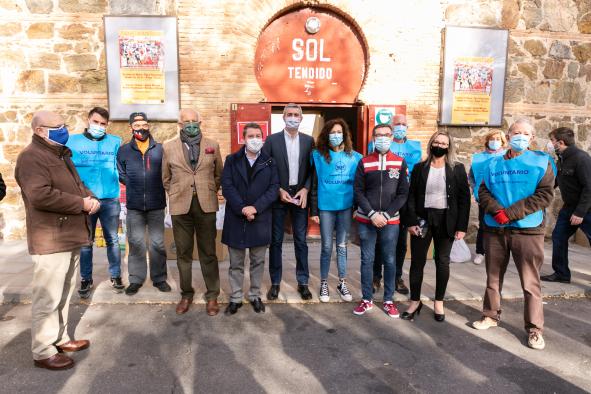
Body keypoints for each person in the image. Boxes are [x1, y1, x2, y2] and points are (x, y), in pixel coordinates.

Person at [15, 111, 96, 370]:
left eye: (64, 124)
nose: (63, 129)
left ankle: (60, 338)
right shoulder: (31, 157)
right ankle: (42, 350)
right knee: (47, 296)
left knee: (63, 292)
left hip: (68, 234)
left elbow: (76, 184)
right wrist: (81, 204)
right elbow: (40, 195)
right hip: (50, 237)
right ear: (39, 130)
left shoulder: (59, 153)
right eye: (57, 126)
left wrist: (90, 197)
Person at [472, 118, 555, 350]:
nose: (520, 137)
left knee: (530, 282)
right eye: (516, 132)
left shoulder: (542, 162)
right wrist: (498, 211)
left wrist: (510, 213)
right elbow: (483, 191)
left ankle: (535, 329)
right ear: (507, 137)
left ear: (532, 138)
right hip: (496, 229)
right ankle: (490, 315)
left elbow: (544, 194)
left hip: (528, 230)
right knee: (493, 276)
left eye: (525, 133)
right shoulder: (492, 163)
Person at [401, 131, 470, 322]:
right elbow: (411, 196)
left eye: (444, 143)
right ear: (431, 144)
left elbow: (464, 199)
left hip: (447, 220)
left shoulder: (457, 169)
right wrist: (411, 222)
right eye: (436, 142)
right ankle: (415, 301)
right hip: (423, 220)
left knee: (442, 261)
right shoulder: (419, 168)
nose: (439, 145)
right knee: (417, 261)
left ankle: (439, 301)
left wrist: (462, 226)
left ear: (449, 147)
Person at [162, 109, 223, 316]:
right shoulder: (168, 147)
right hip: (181, 206)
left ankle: (212, 295)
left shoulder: (212, 145)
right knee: (183, 253)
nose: (190, 125)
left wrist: (207, 189)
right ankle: (186, 294)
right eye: (185, 121)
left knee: (209, 253)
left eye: (193, 121)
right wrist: (177, 191)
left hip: (206, 205)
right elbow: (165, 178)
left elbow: (218, 174)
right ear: (179, 124)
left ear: (200, 122)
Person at [221, 123, 279, 315]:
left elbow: (273, 189)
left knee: (257, 262)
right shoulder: (232, 160)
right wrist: (243, 208)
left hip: (260, 218)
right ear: (243, 139)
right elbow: (227, 186)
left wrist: (256, 207)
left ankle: (255, 295)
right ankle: (236, 297)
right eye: (251, 136)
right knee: (236, 263)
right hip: (237, 218)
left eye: (258, 135)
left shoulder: (270, 162)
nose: (255, 139)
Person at [352, 123, 409, 317]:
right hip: (366, 220)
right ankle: (367, 299)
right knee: (367, 259)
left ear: (392, 137)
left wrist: (385, 215)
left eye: (386, 134)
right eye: (378, 135)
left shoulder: (400, 162)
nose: (382, 138)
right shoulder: (364, 162)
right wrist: (372, 214)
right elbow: (358, 191)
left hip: (390, 221)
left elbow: (403, 193)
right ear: (373, 138)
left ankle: (388, 300)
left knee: (390, 260)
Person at [66, 107, 124, 298]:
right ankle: (86, 278)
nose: (99, 126)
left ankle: (116, 275)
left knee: (113, 240)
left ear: (107, 125)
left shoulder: (115, 142)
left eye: (103, 124)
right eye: (96, 122)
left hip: (110, 198)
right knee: (86, 242)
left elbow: (121, 167)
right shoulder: (72, 142)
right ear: (88, 120)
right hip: (86, 201)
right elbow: (67, 170)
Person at [262, 103, 315, 301]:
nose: (293, 117)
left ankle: (303, 282)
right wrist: (278, 190)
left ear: (301, 119)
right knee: (276, 241)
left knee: (301, 241)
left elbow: (312, 170)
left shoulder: (309, 141)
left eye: (296, 115)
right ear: (283, 117)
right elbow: (266, 168)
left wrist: (306, 189)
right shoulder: (271, 140)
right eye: (289, 114)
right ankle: (275, 283)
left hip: (300, 196)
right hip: (279, 195)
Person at [117, 112, 170, 296]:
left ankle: (159, 278)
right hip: (134, 205)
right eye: (137, 125)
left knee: (157, 244)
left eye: (145, 125)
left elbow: (167, 172)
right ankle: (136, 279)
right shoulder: (124, 150)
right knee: (136, 243)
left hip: (156, 204)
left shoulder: (160, 149)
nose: (141, 128)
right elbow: (121, 173)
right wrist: (133, 182)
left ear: (149, 126)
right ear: (131, 127)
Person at [369, 115, 422, 295]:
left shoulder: (414, 148)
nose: (400, 127)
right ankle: (376, 276)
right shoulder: (375, 147)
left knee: (400, 244)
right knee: (378, 243)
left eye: (403, 124)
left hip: (405, 199)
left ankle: (397, 277)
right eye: (397, 124)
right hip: (382, 200)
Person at [310, 118, 361, 302]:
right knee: (326, 246)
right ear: (326, 135)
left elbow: (358, 186)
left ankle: (342, 282)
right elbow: (314, 185)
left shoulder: (355, 157)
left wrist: (357, 207)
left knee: (342, 246)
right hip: (326, 208)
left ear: (345, 135)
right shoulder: (318, 156)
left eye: (339, 132)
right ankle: (324, 282)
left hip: (346, 208)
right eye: (332, 132)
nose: (336, 135)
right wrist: (313, 211)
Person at [541, 127, 591, 283]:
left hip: (586, 209)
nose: (550, 144)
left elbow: (589, 187)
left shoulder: (581, 158)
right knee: (558, 237)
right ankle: (562, 274)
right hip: (569, 207)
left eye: (552, 141)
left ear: (560, 142)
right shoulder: (561, 158)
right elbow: (556, 181)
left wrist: (580, 213)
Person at [469, 131, 507, 265]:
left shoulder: (507, 157)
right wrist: (475, 189)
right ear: (487, 140)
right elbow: (472, 177)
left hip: (503, 197)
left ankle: (500, 252)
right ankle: (481, 251)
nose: (495, 141)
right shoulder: (479, 158)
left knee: (502, 224)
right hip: (484, 198)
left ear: (503, 142)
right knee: (484, 224)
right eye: (492, 138)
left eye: (498, 139)